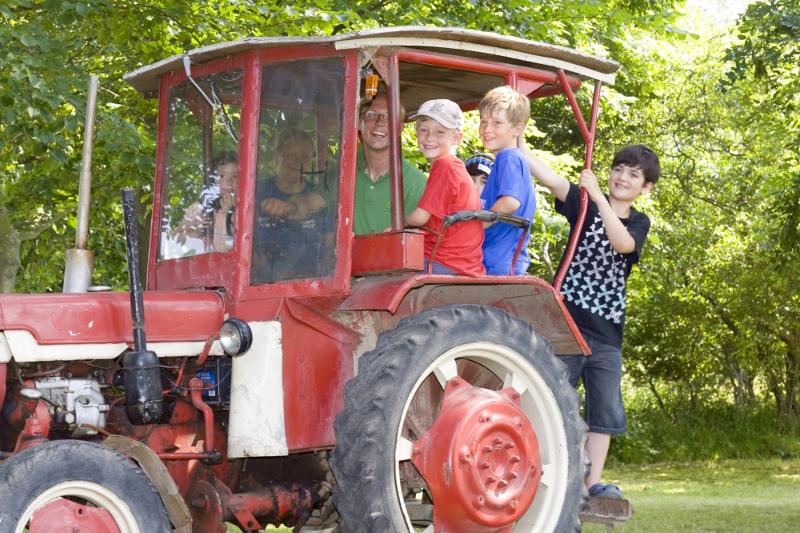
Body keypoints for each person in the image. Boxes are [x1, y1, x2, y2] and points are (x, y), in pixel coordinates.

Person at [522, 142, 661, 500]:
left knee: (604, 407)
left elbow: (623, 245)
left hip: (606, 332)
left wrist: (599, 198)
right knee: (551, 398)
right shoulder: (582, 206)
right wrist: (519, 146)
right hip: (565, 322)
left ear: (645, 188)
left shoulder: (637, 221)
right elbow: (551, 180)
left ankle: (592, 481)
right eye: (619, 169)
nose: (622, 178)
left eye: (634, 175)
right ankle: (543, 471)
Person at [404, 99, 485, 276]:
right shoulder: (453, 167)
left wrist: (396, 224)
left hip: (445, 261)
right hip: (458, 261)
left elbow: (419, 218)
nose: (429, 138)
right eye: (423, 130)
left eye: (440, 132)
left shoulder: (445, 165)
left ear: (456, 138)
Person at [253, 128, 329, 281]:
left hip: (310, 284)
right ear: (276, 157)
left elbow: (329, 247)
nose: (297, 162)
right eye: (290, 156)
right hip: (259, 285)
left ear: (311, 162)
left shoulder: (318, 198)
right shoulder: (255, 192)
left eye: (304, 157)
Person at [478, 86, 536, 275]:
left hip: (497, 263)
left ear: (517, 128)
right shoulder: (509, 160)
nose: (487, 129)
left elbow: (511, 201)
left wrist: (478, 225)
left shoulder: (508, 157)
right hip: (501, 261)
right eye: (483, 122)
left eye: (497, 123)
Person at [354, 88, 427, 235]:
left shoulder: (416, 183)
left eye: (389, 116)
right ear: (359, 123)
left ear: (400, 128)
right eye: (372, 114)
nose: (380, 122)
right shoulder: (343, 169)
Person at [174, 150, 238, 252]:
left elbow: (226, 248)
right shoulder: (199, 207)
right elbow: (175, 240)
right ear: (212, 179)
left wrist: (227, 214)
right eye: (222, 176)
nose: (229, 182)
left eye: (235, 176)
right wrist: (198, 231)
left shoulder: (243, 210)